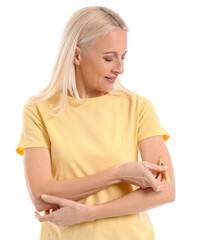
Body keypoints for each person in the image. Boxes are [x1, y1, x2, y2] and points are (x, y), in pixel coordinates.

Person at [16, 6, 175, 240]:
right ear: (77, 55)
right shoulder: (38, 110)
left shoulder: (138, 106)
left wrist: (89, 213)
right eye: (109, 58)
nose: (120, 68)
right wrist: (119, 173)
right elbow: (41, 195)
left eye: (123, 57)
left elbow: (166, 191)